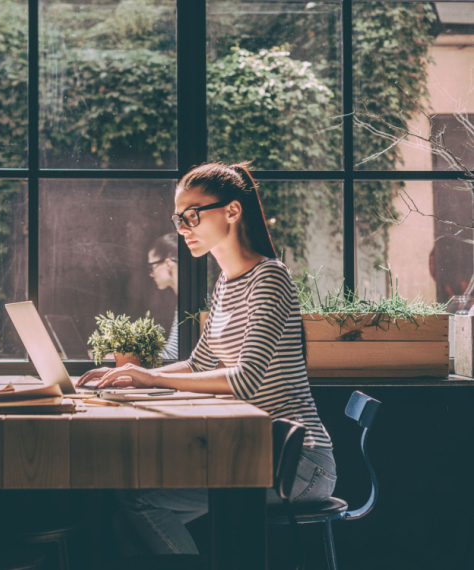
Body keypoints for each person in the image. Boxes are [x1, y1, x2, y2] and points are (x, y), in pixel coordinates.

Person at [78, 162, 335, 556]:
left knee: (140, 501)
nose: (183, 228)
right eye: (178, 218)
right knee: (124, 517)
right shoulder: (225, 284)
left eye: (192, 215)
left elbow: (246, 380)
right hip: (254, 451)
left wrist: (153, 380)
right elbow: (200, 364)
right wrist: (132, 374)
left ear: (232, 211)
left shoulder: (270, 278)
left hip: (299, 463)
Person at [147, 233, 178, 360]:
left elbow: (173, 356)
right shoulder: (184, 301)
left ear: (168, 263)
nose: (151, 274)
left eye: (152, 267)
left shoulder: (189, 303)